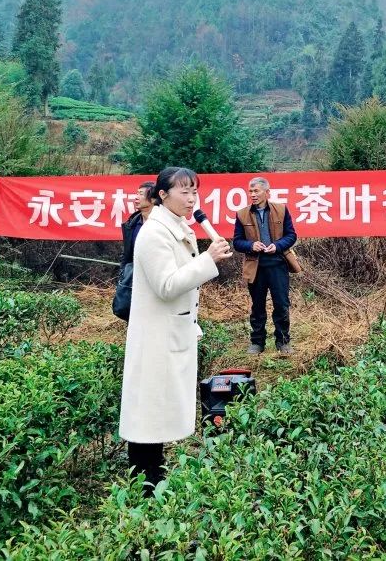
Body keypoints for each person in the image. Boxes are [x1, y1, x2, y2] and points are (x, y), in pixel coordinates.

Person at [118, 167, 232, 494]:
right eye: (184, 192)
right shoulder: (153, 233)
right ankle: (145, 486)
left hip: (171, 331)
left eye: (194, 191)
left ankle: (155, 480)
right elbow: (166, 285)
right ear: (163, 195)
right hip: (156, 337)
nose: (192, 198)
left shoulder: (178, 226)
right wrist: (208, 259)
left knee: (157, 411)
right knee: (147, 413)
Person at [233, 176, 300, 355]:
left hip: (278, 264)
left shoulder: (281, 210)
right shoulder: (242, 214)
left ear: (267, 192)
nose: (252, 194)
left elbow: (291, 235)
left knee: (281, 304)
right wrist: (250, 245)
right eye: (250, 191)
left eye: (256, 191)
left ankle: (283, 342)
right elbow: (237, 242)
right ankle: (257, 342)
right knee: (257, 306)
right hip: (255, 267)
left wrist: (277, 245)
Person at [121, 181, 155, 265]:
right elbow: (127, 254)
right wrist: (124, 269)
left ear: (153, 199)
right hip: (135, 271)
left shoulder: (162, 224)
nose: (136, 197)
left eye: (141, 194)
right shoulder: (132, 224)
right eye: (137, 194)